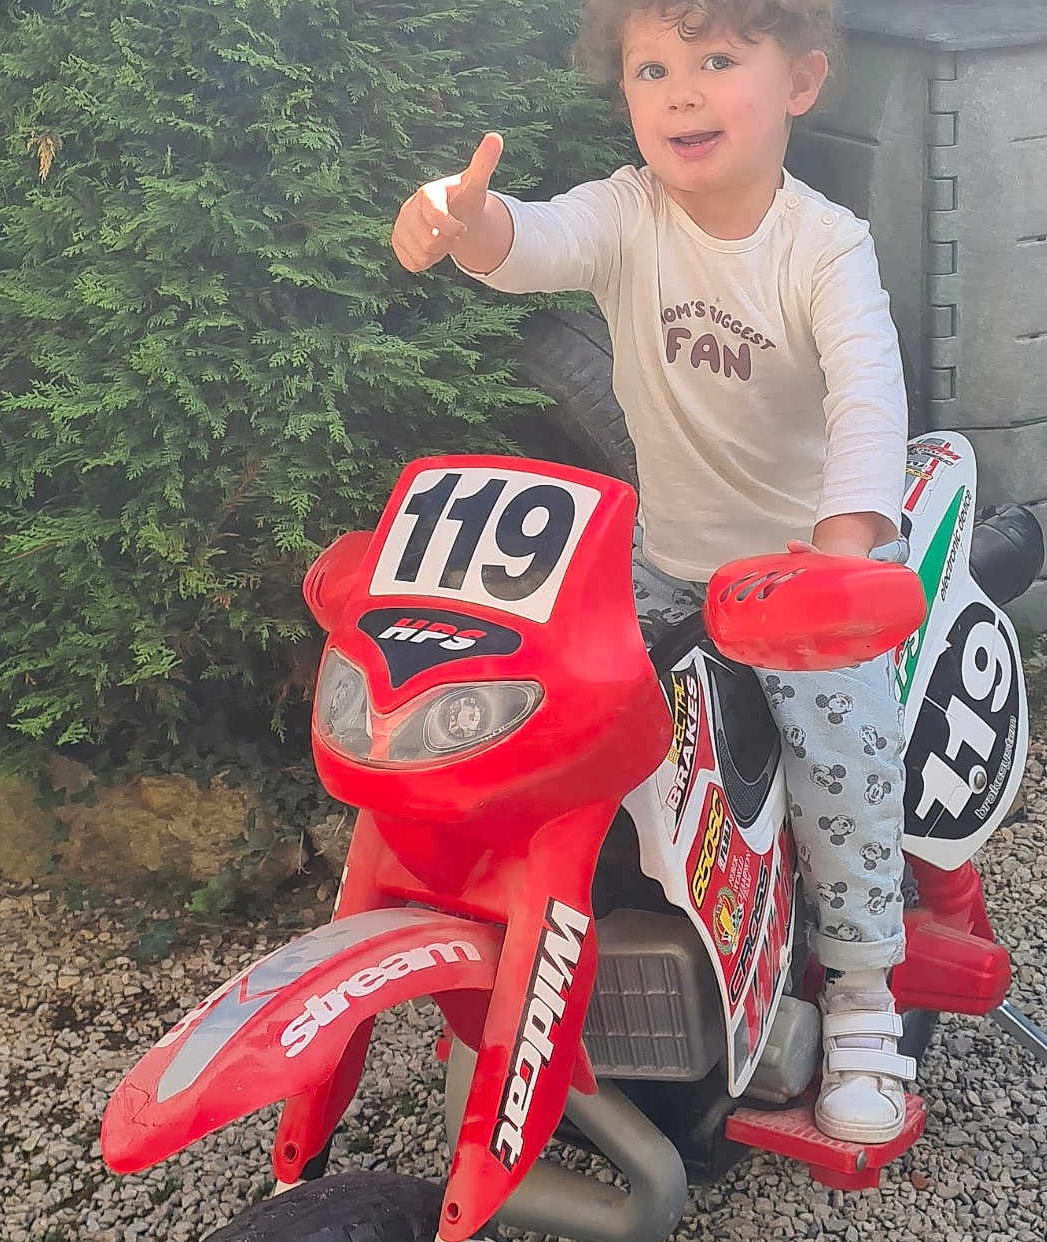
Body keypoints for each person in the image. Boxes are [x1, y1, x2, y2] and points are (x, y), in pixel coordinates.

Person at [391, 0, 914, 1145]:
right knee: (567, 716)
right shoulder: (627, 214)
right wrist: (464, 221)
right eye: (651, 67)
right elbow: (533, 242)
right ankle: (577, 949)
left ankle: (865, 990)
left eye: (718, 58)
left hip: (801, 576)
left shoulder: (822, 245)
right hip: (671, 564)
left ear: (800, 82)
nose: (681, 90)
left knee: (843, 757)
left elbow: (869, 397)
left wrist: (842, 553)